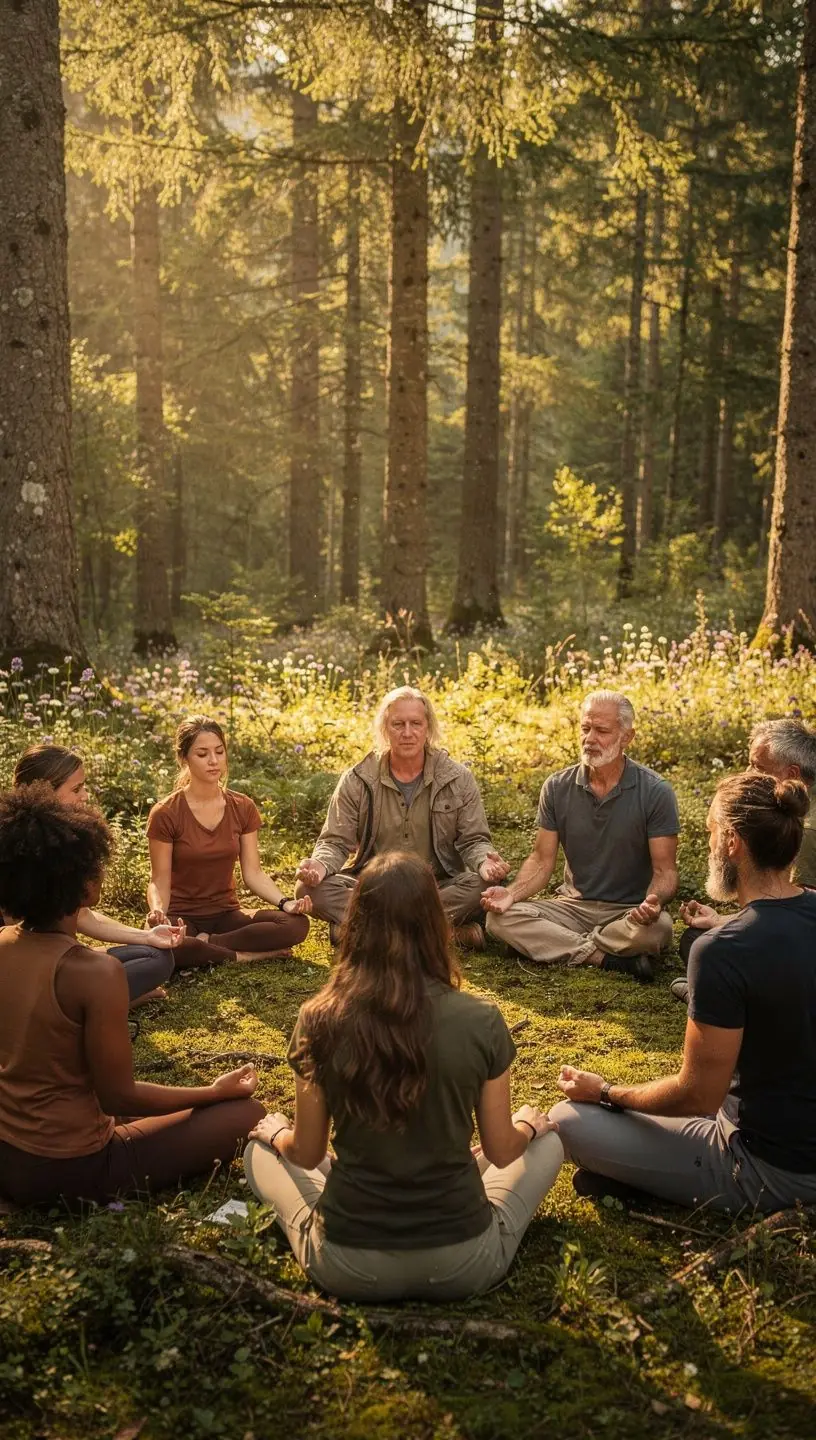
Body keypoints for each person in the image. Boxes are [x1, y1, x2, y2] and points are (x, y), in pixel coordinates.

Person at [244, 851, 563, 1302]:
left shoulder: (317, 1018)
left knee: (258, 1153)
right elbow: (501, 1149)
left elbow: (308, 1150)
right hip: (463, 1262)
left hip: (347, 1263)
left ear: (356, 923)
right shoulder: (481, 1019)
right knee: (548, 1141)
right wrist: (530, 1125)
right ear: (436, 924)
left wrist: (277, 1135)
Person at [550, 772, 816, 1213]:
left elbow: (698, 1096)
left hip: (770, 1167)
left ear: (732, 841)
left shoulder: (723, 952)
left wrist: (607, 1091)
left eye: (711, 832)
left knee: (567, 1121)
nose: (709, 845)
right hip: (786, 1132)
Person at [0, 784, 265, 1208]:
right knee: (247, 1115)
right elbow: (118, 1097)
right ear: (83, 883)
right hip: (70, 1169)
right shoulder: (94, 972)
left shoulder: (4, 943)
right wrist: (214, 1092)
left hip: (7, 1153)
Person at [482, 690, 679, 983]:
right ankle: (605, 958)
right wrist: (511, 894)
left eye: (601, 731)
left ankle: (553, 944)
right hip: (570, 907)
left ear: (627, 737)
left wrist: (652, 901)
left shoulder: (655, 791)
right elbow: (541, 860)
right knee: (499, 918)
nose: (589, 738)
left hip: (628, 913)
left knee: (659, 929)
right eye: (585, 728)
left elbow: (665, 870)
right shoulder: (557, 786)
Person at [294, 686, 509, 950]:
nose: (407, 732)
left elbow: (474, 840)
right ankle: (443, 935)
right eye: (398, 724)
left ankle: (368, 932)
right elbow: (335, 842)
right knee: (306, 890)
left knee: (483, 885)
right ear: (385, 728)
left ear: (428, 727)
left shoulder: (457, 778)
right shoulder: (358, 778)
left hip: (436, 888)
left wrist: (485, 863)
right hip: (373, 888)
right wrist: (319, 866)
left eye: (415, 723)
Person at [10, 744, 179, 1008]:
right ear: (43, 792)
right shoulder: (12, 844)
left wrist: (146, 936)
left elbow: (83, 915)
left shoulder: (66, 839)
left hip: (62, 958)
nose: (85, 796)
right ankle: (104, 1005)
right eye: (76, 789)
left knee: (156, 956)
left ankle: (106, 1000)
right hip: (22, 972)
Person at [671, 717, 816, 1003]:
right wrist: (723, 920)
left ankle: (715, 995)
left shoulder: (806, 830)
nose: (749, 773)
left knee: (705, 946)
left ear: (793, 774)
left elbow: (794, 920)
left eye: (758, 767)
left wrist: (725, 928)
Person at [146, 717, 310, 968]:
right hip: (182, 917)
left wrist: (286, 902)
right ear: (184, 758)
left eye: (219, 752)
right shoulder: (166, 813)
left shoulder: (242, 806)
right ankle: (244, 955)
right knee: (161, 942)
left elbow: (254, 873)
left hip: (226, 915)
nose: (214, 761)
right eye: (202, 754)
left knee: (296, 924)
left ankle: (209, 945)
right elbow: (159, 880)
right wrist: (158, 912)